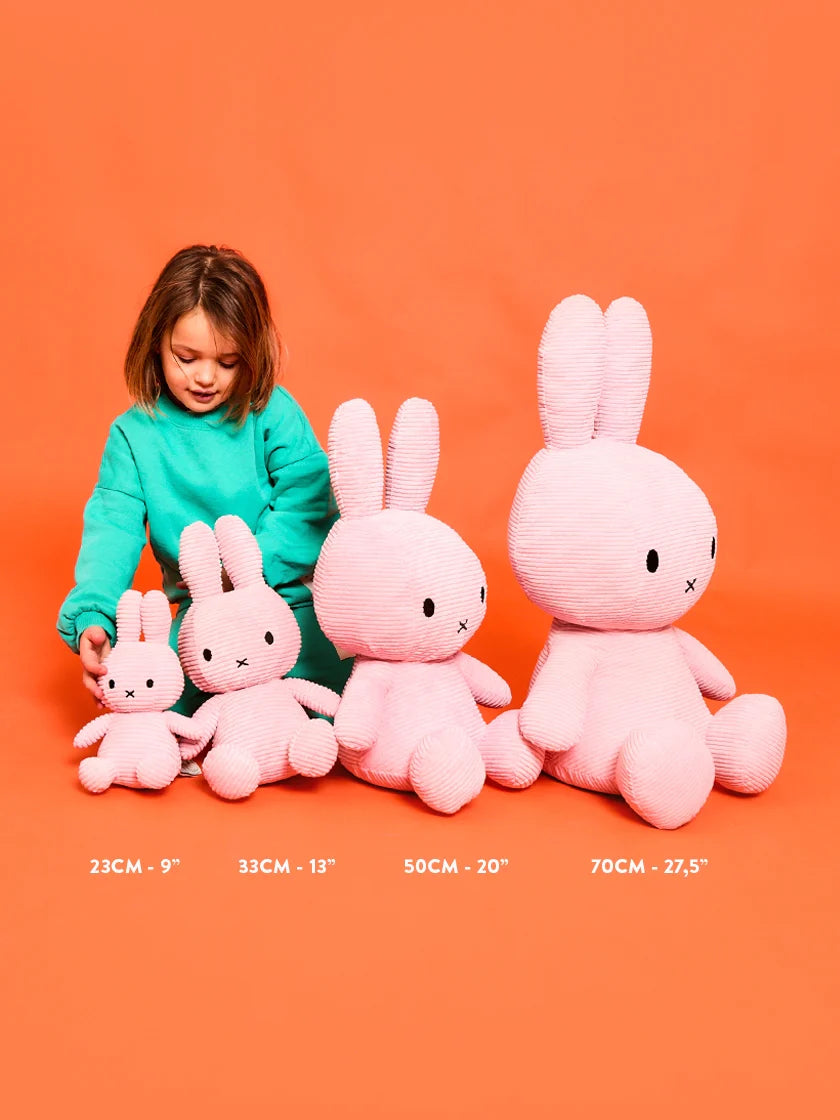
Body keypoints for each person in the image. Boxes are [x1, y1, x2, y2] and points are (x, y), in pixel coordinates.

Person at [57, 244, 351, 767]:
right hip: (200, 623)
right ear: (155, 344)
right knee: (148, 704)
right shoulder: (133, 435)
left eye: (228, 361)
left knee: (352, 701)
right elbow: (113, 528)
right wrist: (94, 615)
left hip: (285, 606)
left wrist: (242, 570)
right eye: (186, 358)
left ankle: (289, 738)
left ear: (252, 354)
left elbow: (308, 509)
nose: (206, 377)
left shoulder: (273, 412)